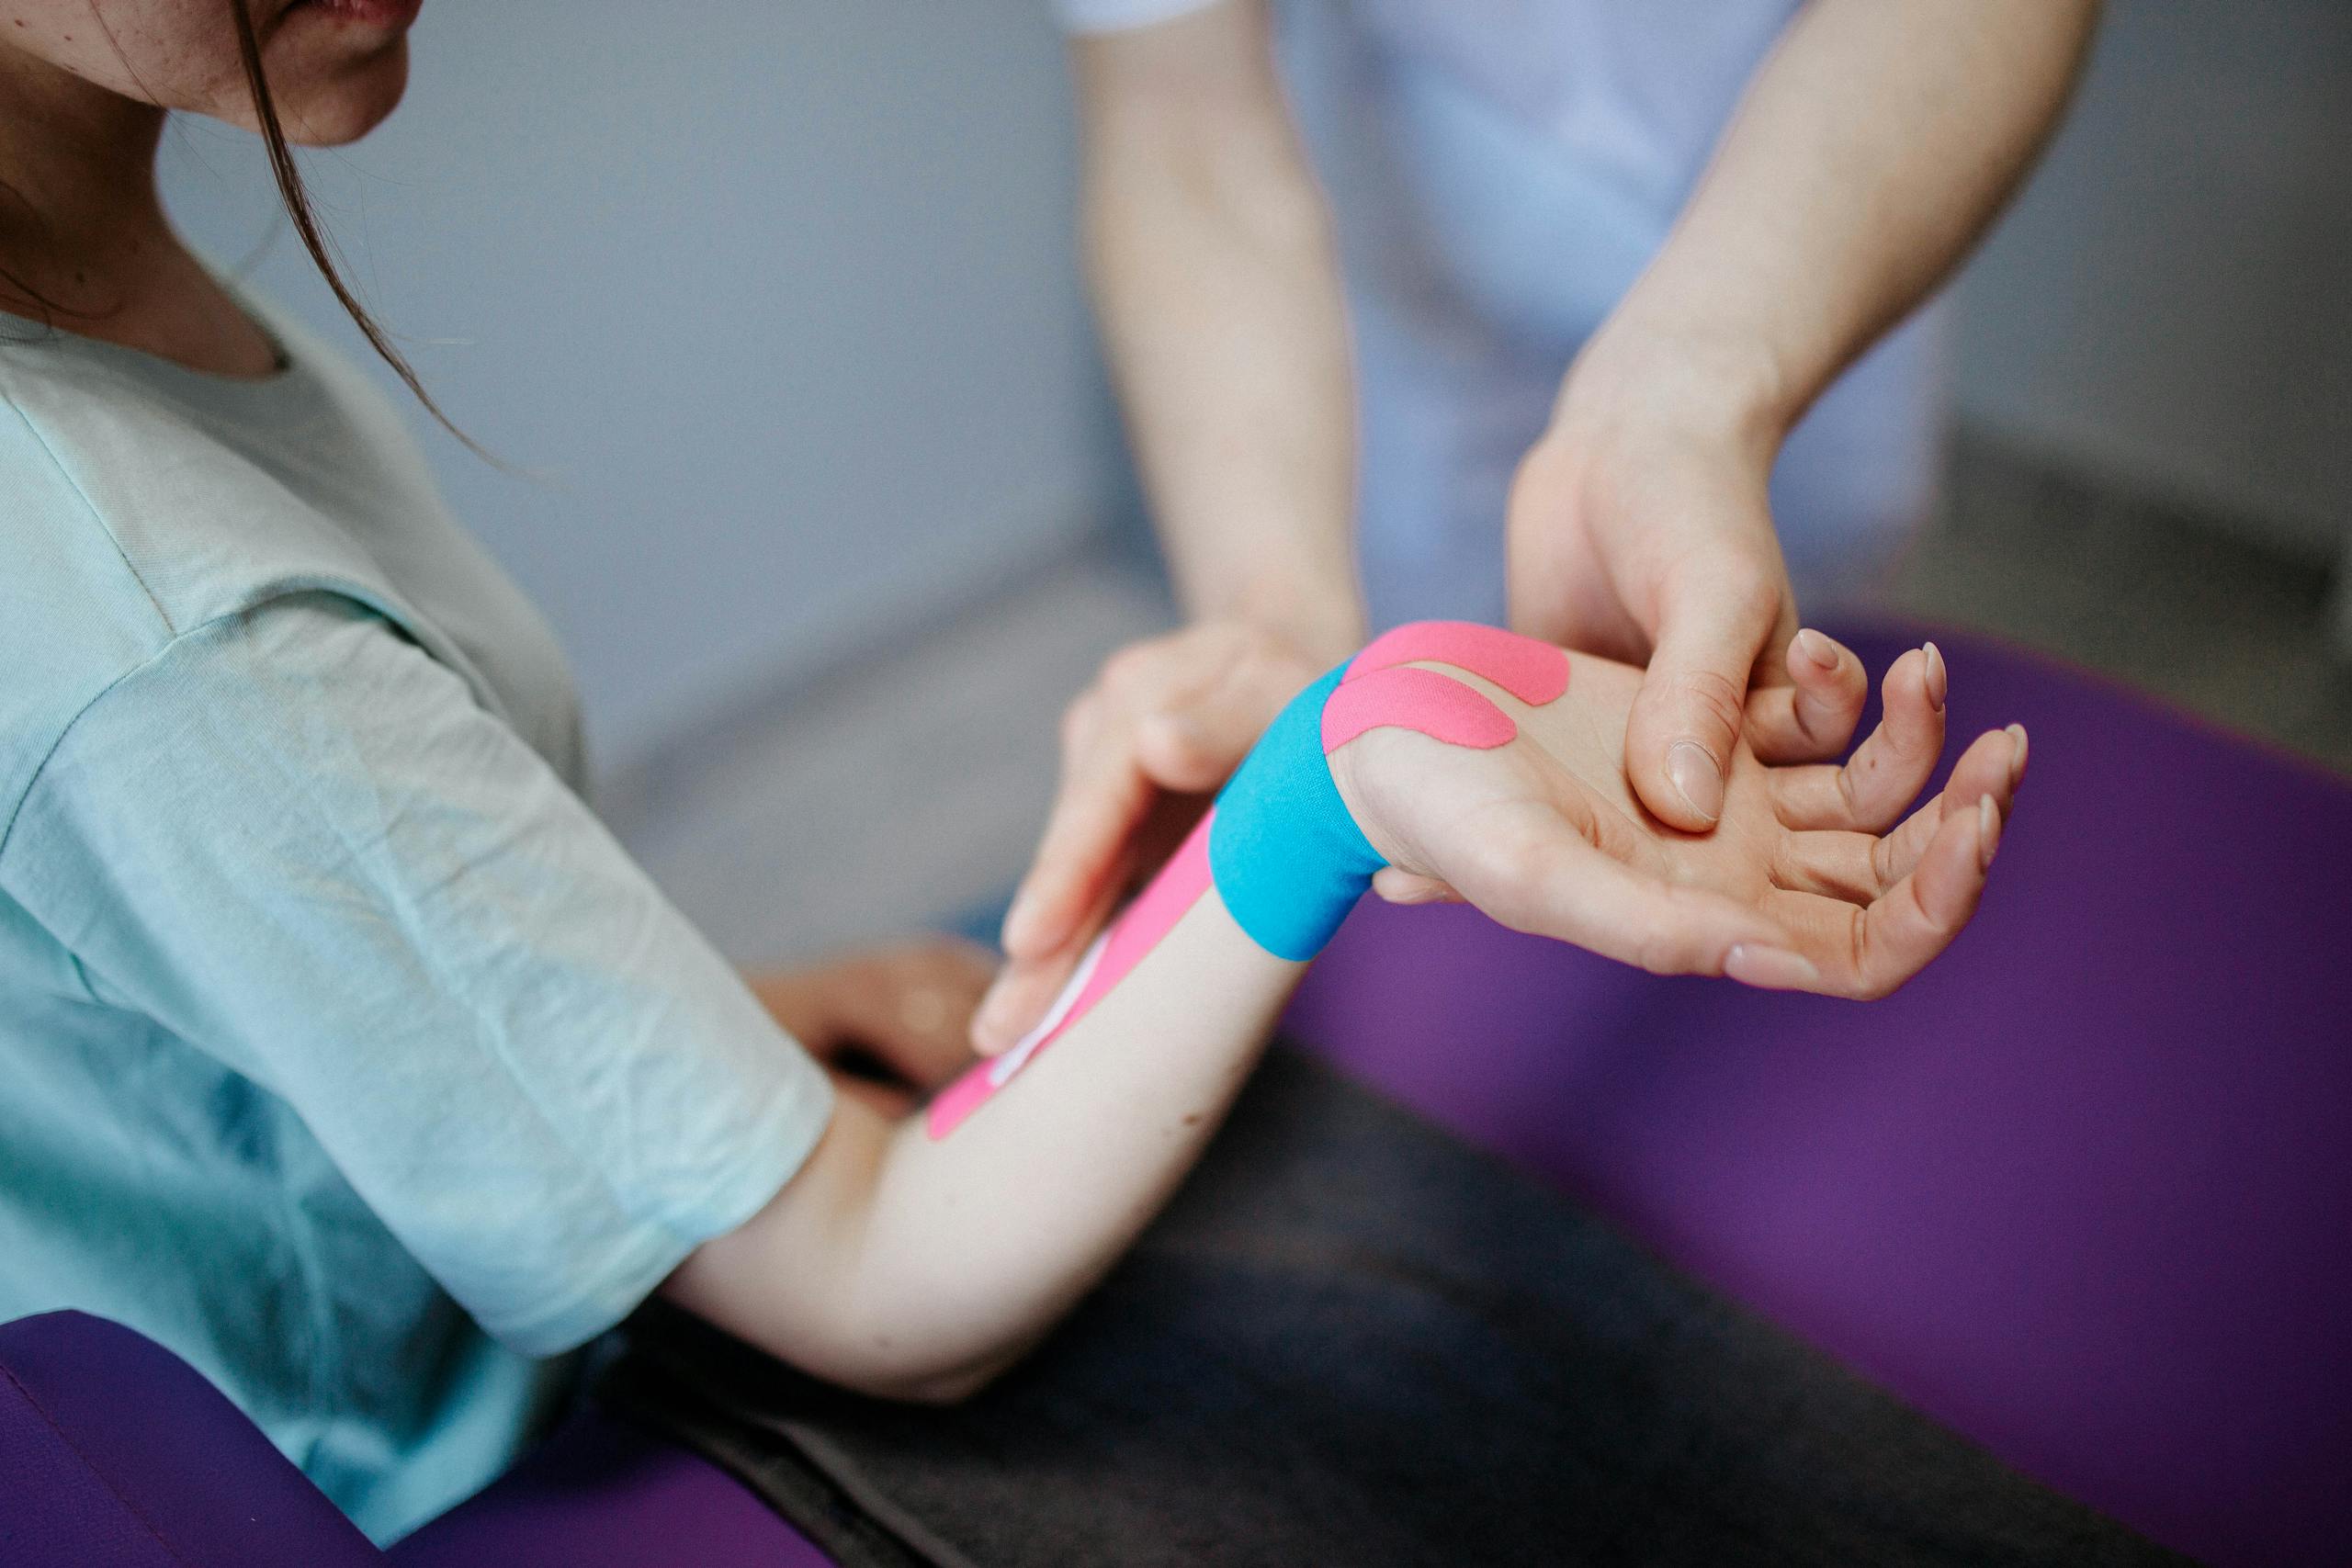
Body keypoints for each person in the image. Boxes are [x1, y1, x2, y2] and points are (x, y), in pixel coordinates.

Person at [0, 0, 2019, 1545]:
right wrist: (1331, 776)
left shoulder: (100, 363)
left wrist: (642, 1043)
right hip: (475, 1455)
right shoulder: (163, 619)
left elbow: (151, 986)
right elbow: (894, 1281)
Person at [973, 0, 2098, 1051]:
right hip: (1417, 222)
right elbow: (1182, 116)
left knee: (1770, 684)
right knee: (1449, 830)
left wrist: (1690, 395)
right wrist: (1275, 613)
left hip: (1835, 172)